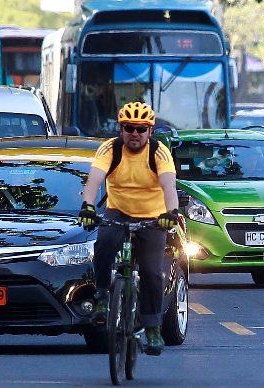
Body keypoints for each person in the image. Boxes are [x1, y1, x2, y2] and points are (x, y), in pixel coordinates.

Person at [77, 101, 179, 356]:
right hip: (118, 211)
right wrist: (87, 206)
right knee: (103, 244)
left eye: (141, 129)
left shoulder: (159, 153)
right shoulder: (110, 149)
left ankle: (152, 327)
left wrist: (171, 213)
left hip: (153, 217)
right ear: (121, 129)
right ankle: (102, 299)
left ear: (150, 131)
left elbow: (169, 186)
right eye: (129, 128)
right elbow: (94, 181)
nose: (135, 133)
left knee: (152, 272)